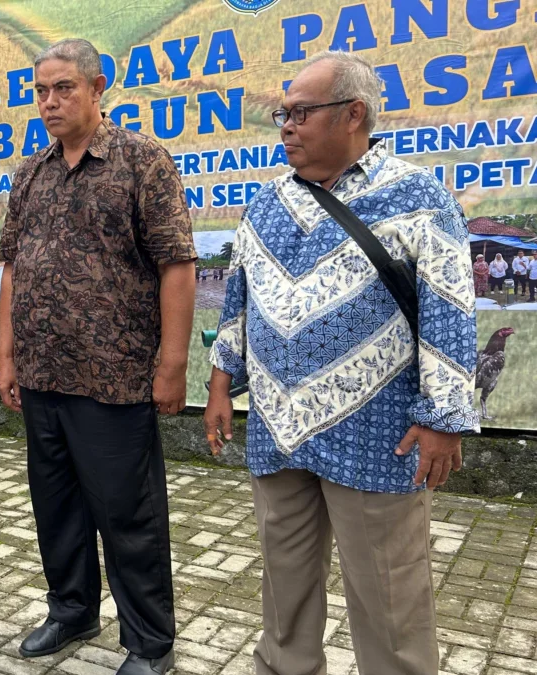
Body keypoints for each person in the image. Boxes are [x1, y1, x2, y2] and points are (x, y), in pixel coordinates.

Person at [203, 50, 479, 675]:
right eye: (283, 113)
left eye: (300, 113)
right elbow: (240, 300)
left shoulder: (417, 197)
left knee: (388, 596)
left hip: (379, 433)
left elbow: (450, 310)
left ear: (353, 114)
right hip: (277, 426)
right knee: (285, 584)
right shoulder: (268, 203)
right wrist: (222, 380)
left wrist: (443, 417)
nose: (287, 126)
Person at [0, 39, 196, 675]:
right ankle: (72, 610)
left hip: (115, 378)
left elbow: (178, 265)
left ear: (97, 88)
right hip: (43, 374)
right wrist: (6, 357)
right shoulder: (30, 172)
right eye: (41, 92)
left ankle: (149, 642)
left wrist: (171, 364)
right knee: (55, 506)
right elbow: (12, 269)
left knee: (127, 515)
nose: (50, 102)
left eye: (64, 89)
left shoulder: (142, 162)